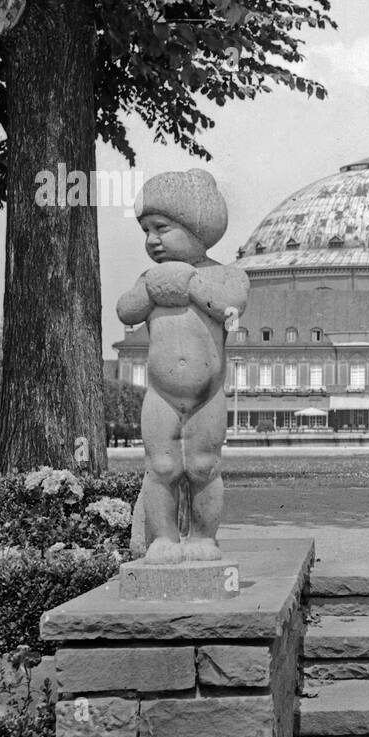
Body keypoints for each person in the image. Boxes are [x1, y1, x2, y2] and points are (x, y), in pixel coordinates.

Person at [117, 171, 249, 562]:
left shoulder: (228, 274)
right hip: (160, 395)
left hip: (208, 397)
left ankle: (204, 538)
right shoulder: (150, 278)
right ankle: (164, 540)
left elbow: (231, 305)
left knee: (205, 467)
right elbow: (126, 310)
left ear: (198, 227)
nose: (152, 240)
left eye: (162, 228)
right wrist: (150, 287)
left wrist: (190, 284)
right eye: (146, 230)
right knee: (161, 466)